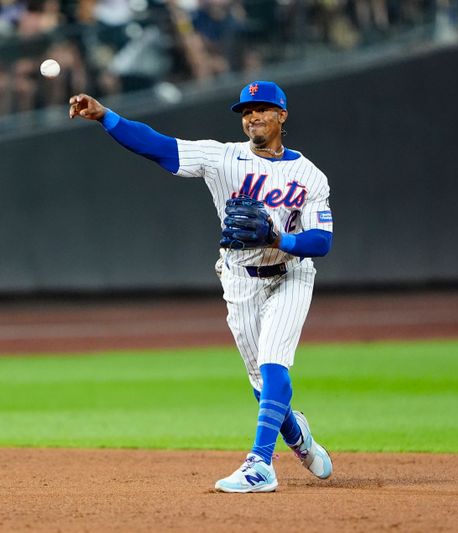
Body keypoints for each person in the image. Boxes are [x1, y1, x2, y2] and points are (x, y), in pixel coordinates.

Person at [68, 80, 334, 493]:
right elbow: (157, 145)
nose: (253, 117)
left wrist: (280, 239)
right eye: (247, 111)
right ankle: (297, 436)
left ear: (282, 115)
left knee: (273, 363)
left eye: (262, 109)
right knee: (262, 384)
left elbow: (322, 242)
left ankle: (260, 465)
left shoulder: (309, 175)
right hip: (239, 280)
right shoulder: (222, 157)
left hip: (291, 275)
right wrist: (106, 117)